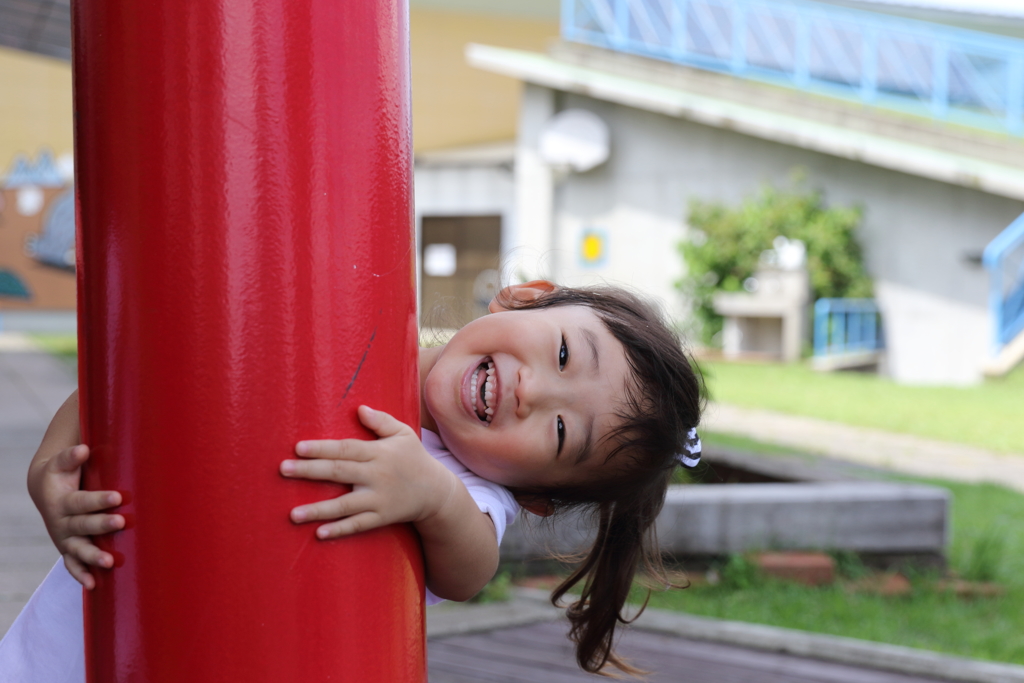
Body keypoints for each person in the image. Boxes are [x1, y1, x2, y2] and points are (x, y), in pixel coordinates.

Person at [5, 280, 704, 677]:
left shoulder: (469, 485)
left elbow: (469, 567)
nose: (532, 392)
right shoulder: (344, 324)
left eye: (559, 432)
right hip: (76, 634)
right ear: (523, 298)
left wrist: (429, 492)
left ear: (534, 495)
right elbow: (128, 381)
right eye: (559, 353)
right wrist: (50, 467)